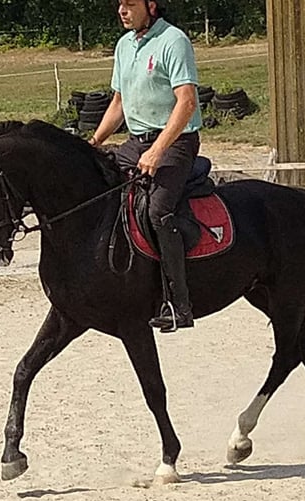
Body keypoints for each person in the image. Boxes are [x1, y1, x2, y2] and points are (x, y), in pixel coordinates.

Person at [88, 0, 202, 333]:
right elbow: (119, 103)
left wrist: (157, 151)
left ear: (151, 5)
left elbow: (187, 102)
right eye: (119, 4)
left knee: (158, 211)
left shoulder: (174, 40)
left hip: (176, 141)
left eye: (130, 4)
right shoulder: (124, 45)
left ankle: (179, 303)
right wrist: (94, 143)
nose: (122, 10)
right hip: (136, 141)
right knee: (97, 184)